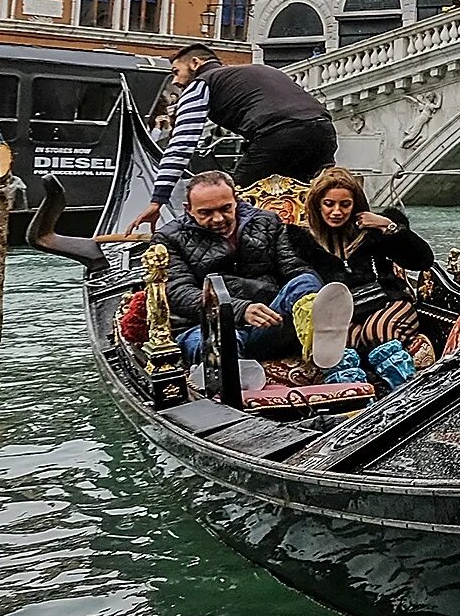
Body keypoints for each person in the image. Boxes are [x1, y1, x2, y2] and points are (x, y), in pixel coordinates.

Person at [157, 169, 350, 373]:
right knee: (219, 344)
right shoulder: (169, 238)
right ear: (188, 209)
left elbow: (294, 268)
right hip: (206, 326)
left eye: (225, 209)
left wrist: (309, 295)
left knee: (305, 282)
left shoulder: (267, 222)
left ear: (236, 201)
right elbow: (180, 293)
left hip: (269, 321)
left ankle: (322, 339)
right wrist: (241, 310)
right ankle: (235, 383)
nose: (218, 219)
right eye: (206, 213)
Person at [133, 44, 339, 229]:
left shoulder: (201, 83)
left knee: (229, 200)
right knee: (320, 198)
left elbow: (181, 146)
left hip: (279, 135)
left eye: (176, 72)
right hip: (324, 132)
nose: (176, 81)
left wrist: (157, 201)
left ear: (196, 63)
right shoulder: (261, 71)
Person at [288, 167, 440, 357]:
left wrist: (387, 226)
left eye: (345, 205)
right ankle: (357, 383)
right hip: (343, 313)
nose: (337, 212)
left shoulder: (374, 230)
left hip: (388, 301)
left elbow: (422, 261)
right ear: (318, 205)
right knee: (344, 342)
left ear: (355, 205)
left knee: (377, 331)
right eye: (329, 204)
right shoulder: (301, 240)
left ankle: (402, 383)